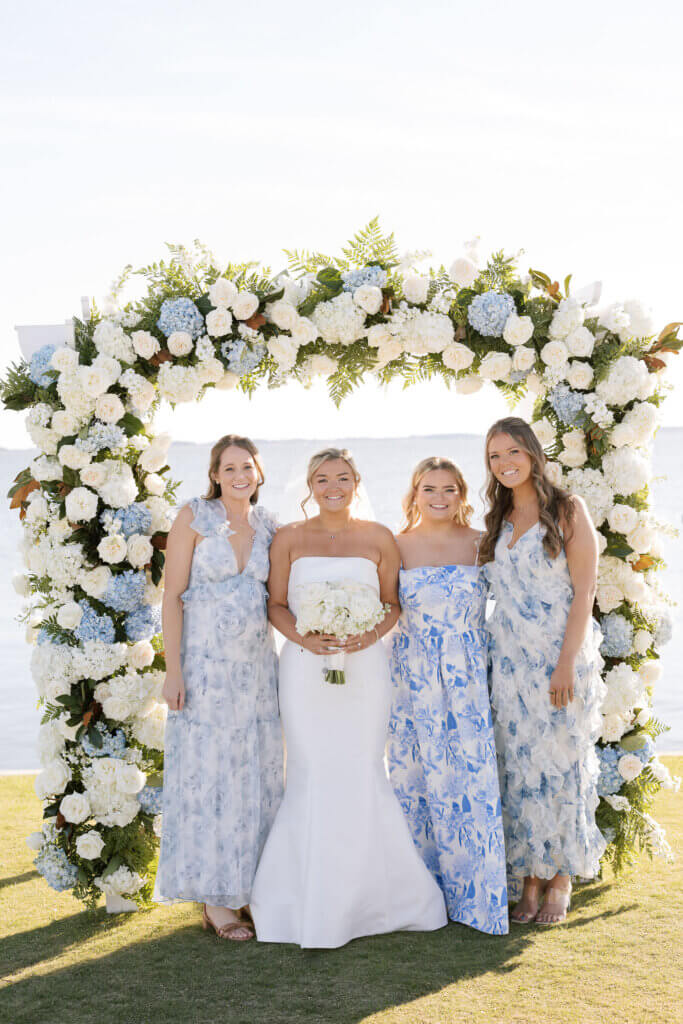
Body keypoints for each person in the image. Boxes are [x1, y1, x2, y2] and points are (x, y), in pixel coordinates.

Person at [250, 448, 447, 948]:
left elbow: (392, 604)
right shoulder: (289, 538)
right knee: (312, 770)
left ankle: (375, 899)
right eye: (322, 478)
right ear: (310, 486)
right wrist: (304, 639)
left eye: (341, 477)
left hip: (364, 669)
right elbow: (275, 604)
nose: (332, 486)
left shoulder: (379, 537)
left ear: (356, 481)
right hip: (303, 667)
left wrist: (368, 635)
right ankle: (302, 898)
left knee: (362, 768)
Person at [155, 434, 283, 940]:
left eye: (246, 467)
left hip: (257, 675)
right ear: (214, 474)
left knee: (256, 776)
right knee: (209, 779)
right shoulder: (193, 517)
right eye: (228, 468)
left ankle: (250, 887)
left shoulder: (270, 524)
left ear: (258, 472)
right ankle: (215, 899)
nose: (237, 475)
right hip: (205, 673)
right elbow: (171, 599)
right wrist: (173, 671)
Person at [482, 417, 606, 925]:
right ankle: (529, 880)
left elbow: (585, 592)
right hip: (509, 665)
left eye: (513, 452)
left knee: (561, 765)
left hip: (560, 659)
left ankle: (560, 877)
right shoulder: (497, 517)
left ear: (532, 454)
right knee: (521, 770)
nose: (505, 463)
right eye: (494, 457)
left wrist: (565, 665)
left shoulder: (568, 509)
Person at [388, 457, 508, 935]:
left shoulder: (483, 544)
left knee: (471, 780)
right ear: (414, 493)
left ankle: (478, 893)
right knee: (414, 780)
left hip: (468, 676)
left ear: (463, 494)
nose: (439, 498)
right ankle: (422, 893)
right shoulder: (394, 545)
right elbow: (383, 609)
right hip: (411, 676)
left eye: (449, 489)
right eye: (428, 488)